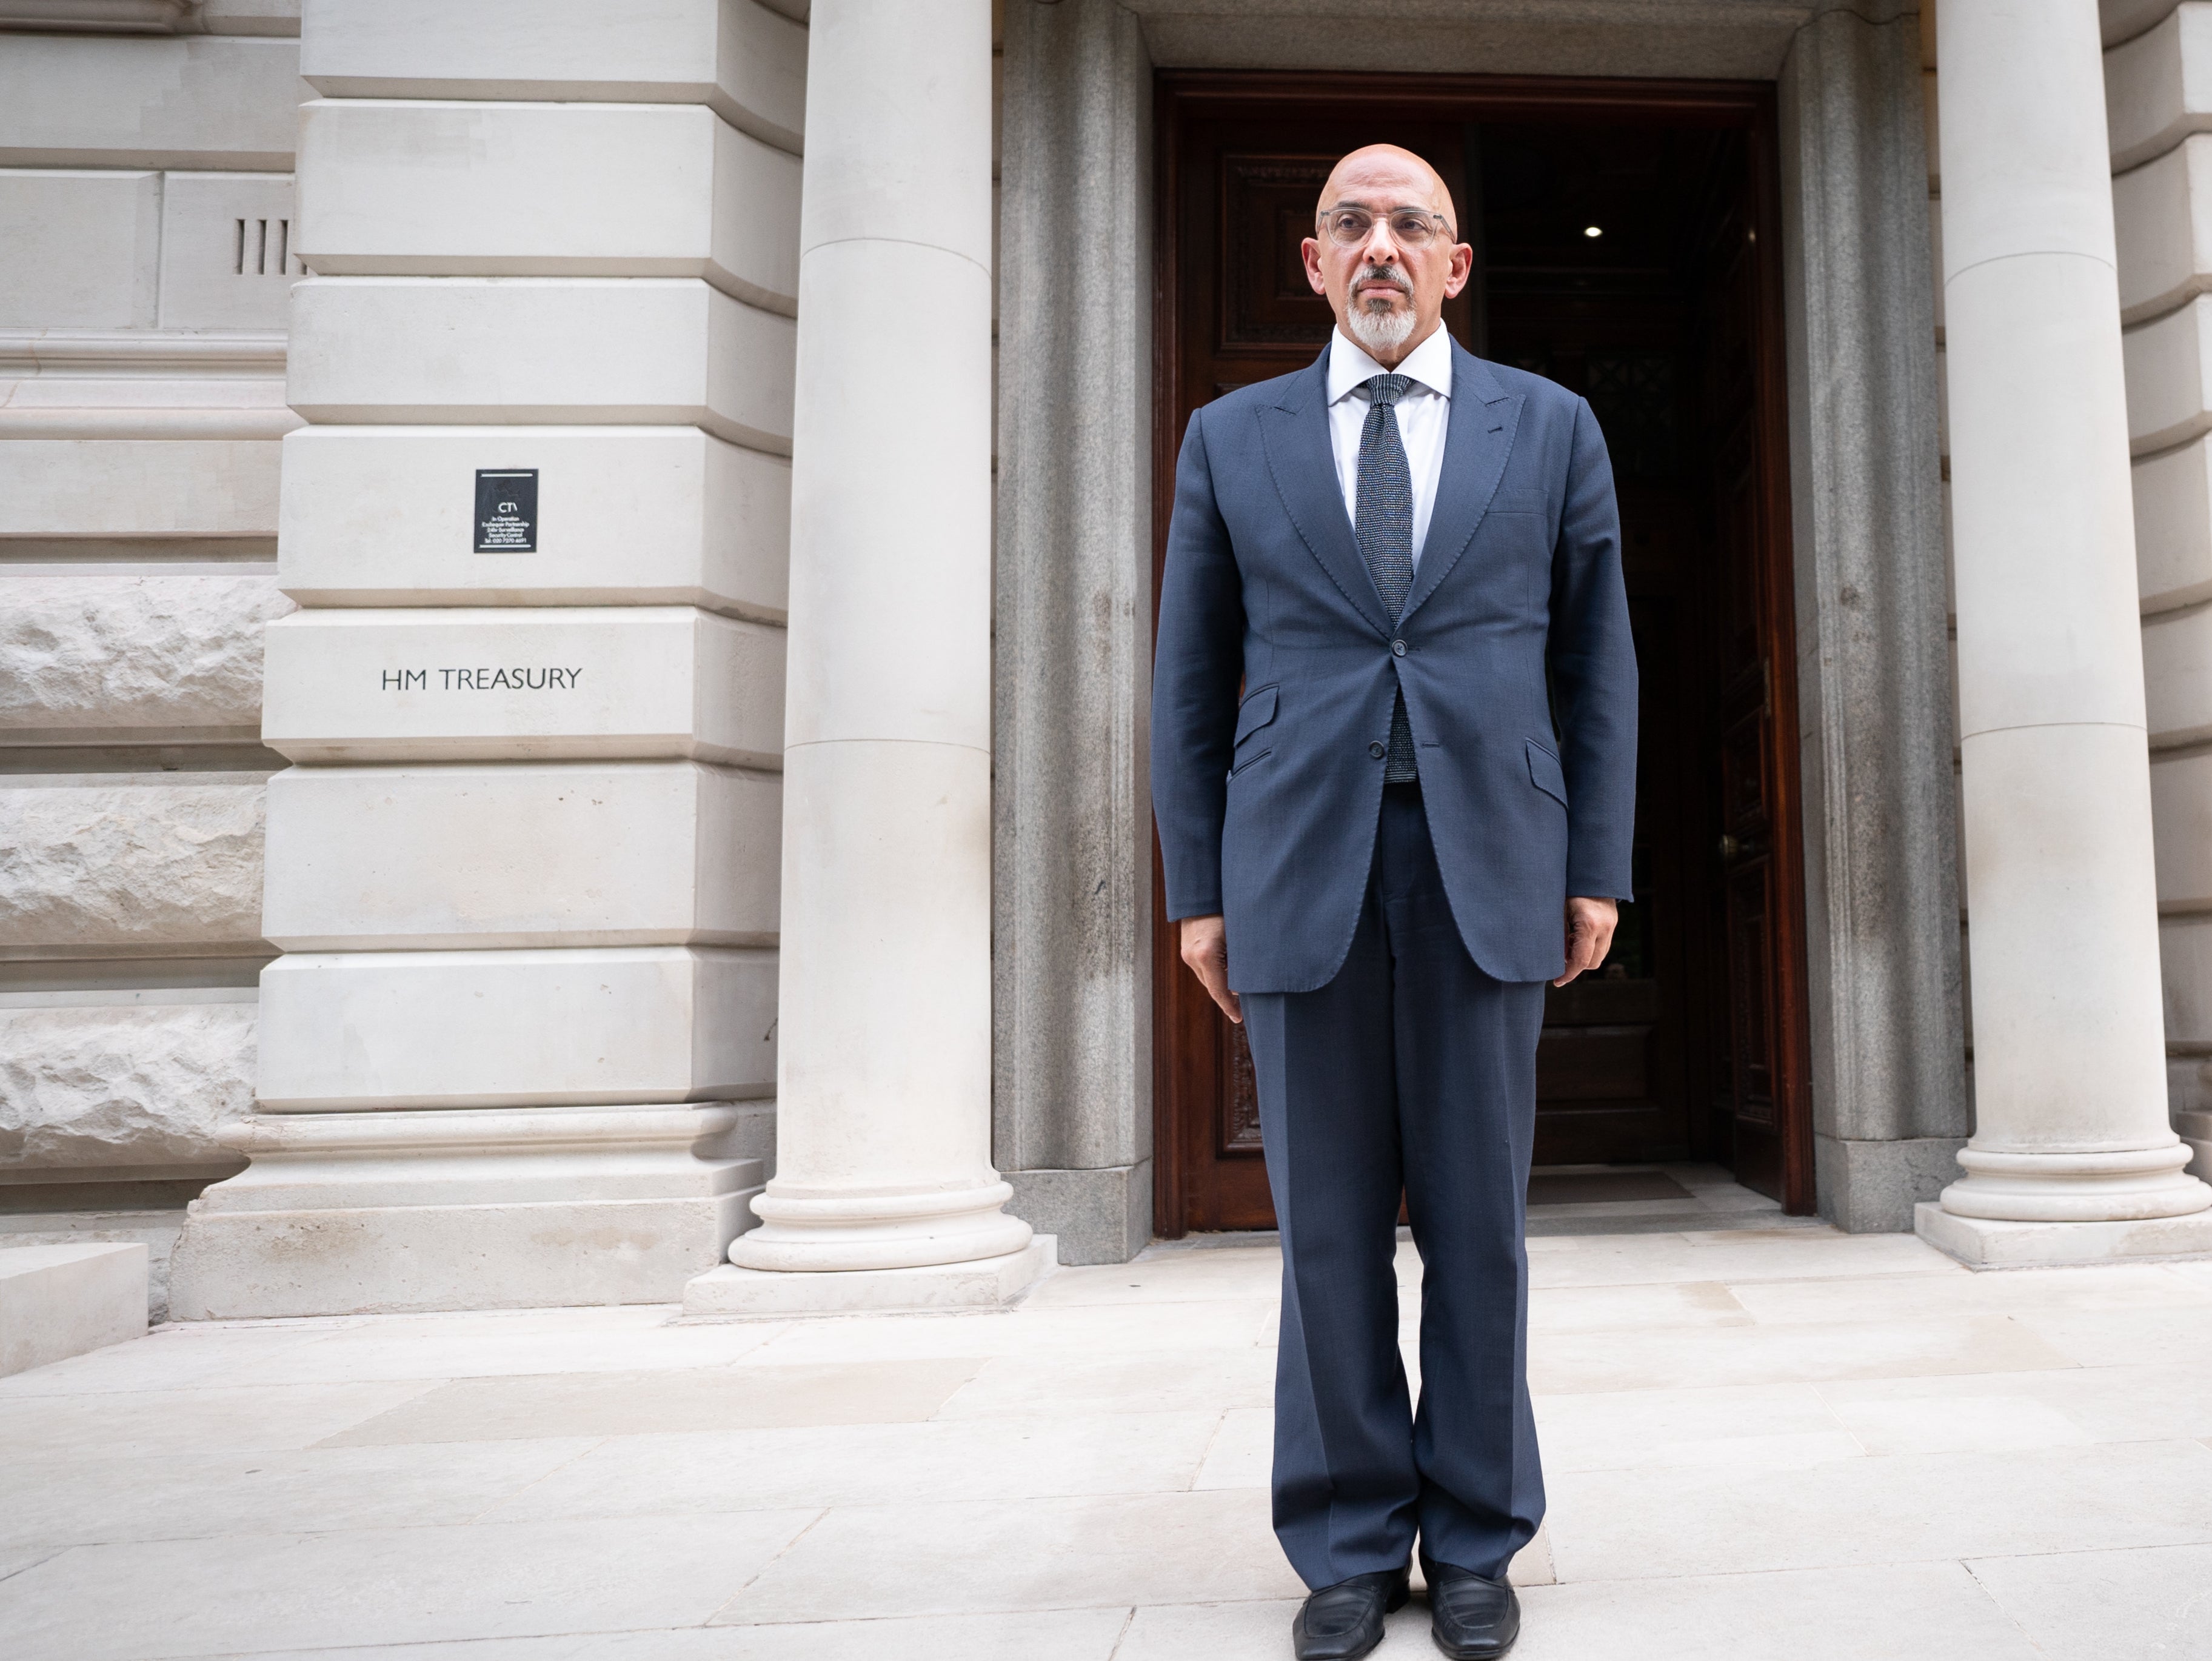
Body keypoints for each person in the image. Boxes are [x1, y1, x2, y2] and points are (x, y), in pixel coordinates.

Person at [1149, 144, 1638, 1660]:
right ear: (1310, 262)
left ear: (1455, 264)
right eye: (1350, 225)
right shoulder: (1230, 438)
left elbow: (1595, 664)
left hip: (1489, 863)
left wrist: (1595, 863)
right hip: (1298, 869)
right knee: (1328, 1232)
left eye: (1408, 226)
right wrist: (1198, 886)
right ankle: (1349, 1540)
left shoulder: (1548, 427)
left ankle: (1480, 1534)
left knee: (1481, 1226)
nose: (1380, 247)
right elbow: (1186, 676)